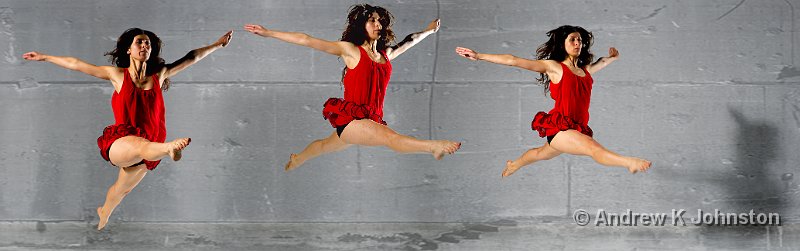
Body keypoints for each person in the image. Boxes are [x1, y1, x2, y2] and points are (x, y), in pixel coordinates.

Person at [23, 28, 233, 229]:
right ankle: (170, 148)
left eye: (147, 43)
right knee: (141, 145)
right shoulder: (118, 75)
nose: (144, 45)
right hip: (121, 142)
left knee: (122, 190)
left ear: (151, 50)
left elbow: (192, 57)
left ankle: (103, 212)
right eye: (139, 42)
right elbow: (76, 63)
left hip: (150, 146)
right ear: (128, 50)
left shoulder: (159, 75)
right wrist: (45, 57)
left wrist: (217, 44)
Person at [245, 4, 461, 171]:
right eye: (372, 21)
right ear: (361, 26)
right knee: (390, 138)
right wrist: (269, 32)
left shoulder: (386, 55)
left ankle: (297, 158)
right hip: (353, 121)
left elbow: (409, 40)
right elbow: (306, 39)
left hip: (368, 121)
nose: (378, 25)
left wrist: (429, 31)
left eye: (380, 21)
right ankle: (432, 146)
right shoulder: (350, 51)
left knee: (322, 146)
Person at [455, 25, 651, 177]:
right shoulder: (554, 67)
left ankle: (514, 164)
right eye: (572, 39)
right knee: (593, 148)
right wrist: (478, 55)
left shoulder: (585, 71)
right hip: (561, 128)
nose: (577, 43)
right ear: (562, 44)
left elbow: (602, 62)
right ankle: (628, 162)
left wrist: (613, 58)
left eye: (580, 40)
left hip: (577, 127)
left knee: (540, 154)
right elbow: (513, 60)